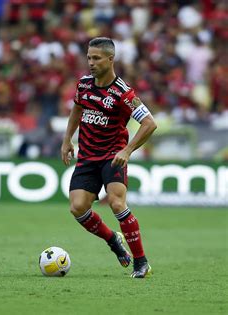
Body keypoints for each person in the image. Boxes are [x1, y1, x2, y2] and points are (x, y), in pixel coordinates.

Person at [60, 37, 157, 278]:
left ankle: (141, 262)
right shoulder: (84, 85)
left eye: (96, 58)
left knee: (116, 203)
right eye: (89, 58)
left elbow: (149, 123)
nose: (91, 63)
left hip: (112, 157)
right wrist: (67, 140)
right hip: (87, 157)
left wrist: (127, 150)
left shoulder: (123, 93)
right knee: (77, 207)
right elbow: (77, 108)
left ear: (110, 59)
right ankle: (112, 239)